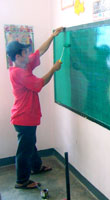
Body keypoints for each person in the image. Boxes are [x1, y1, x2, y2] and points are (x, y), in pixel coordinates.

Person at [6, 27, 64, 189]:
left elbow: (39, 51)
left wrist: (52, 36)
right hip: (24, 117)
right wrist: (53, 69)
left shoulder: (24, 65)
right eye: (24, 53)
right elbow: (39, 84)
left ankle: (36, 167)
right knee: (24, 150)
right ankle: (22, 181)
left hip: (26, 116)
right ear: (17, 57)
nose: (27, 55)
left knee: (30, 144)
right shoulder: (18, 72)